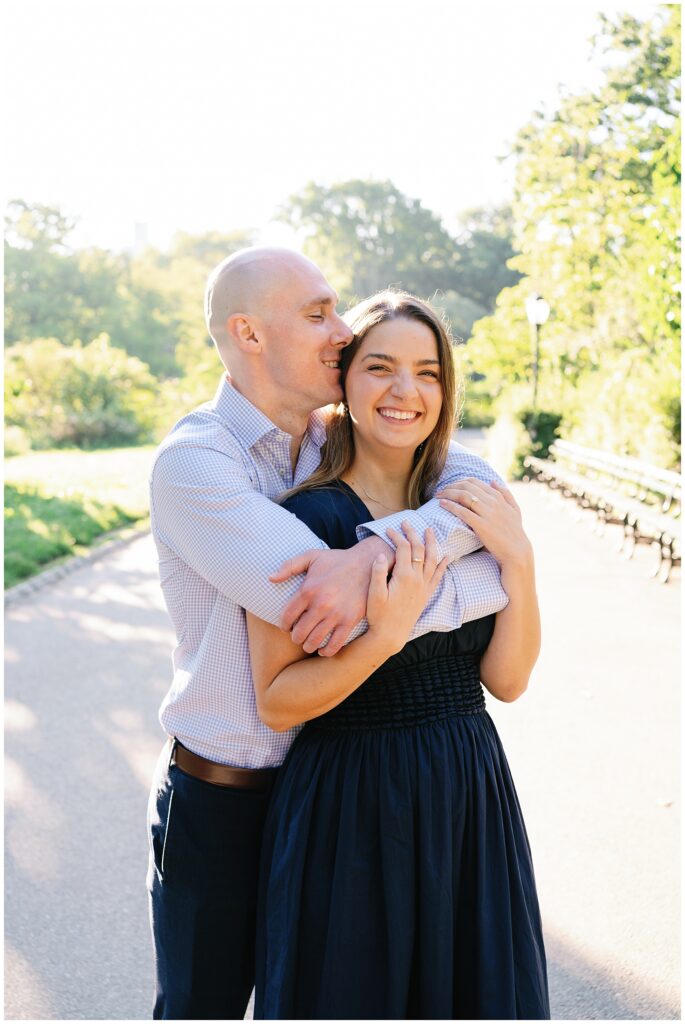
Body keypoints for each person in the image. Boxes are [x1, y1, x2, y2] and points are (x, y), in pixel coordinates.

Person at [147, 248, 509, 1020]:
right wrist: (453, 578)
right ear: (247, 333)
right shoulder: (196, 464)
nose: (341, 331)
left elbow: (482, 489)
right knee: (199, 1011)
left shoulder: (327, 442)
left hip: (329, 789)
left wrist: (379, 549)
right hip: (225, 798)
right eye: (317, 314)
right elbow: (323, 603)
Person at [250, 290, 550, 1020]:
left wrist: (521, 563)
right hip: (350, 799)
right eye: (379, 367)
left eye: (427, 372)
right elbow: (278, 697)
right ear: (344, 381)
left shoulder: (470, 508)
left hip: (467, 786)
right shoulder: (302, 519)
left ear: (445, 389)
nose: (404, 392)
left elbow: (506, 682)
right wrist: (384, 636)